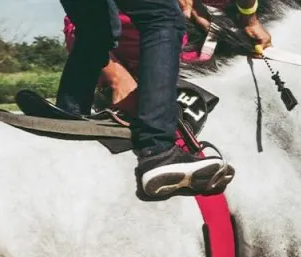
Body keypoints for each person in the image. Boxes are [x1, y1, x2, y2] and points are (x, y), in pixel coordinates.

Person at [57, 0, 271, 198]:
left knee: (101, 26)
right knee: (162, 17)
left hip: (163, 74)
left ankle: (69, 112)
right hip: (124, 77)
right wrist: (115, 77)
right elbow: (75, 26)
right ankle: (158, 151)